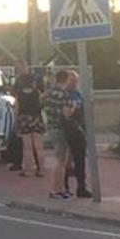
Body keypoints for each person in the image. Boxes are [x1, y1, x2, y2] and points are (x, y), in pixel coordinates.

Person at [43, 69, 75, 199]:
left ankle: (59, 189)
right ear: (66, 79)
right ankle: (56, 189)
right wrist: (73, 107)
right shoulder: (65, 94)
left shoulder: (49, 93)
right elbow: (67, 113)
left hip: (51, 126)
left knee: (60, 159)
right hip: (61, 128)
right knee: (61, 160)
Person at [62, 71, 93, 199]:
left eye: (75, 80)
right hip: (66, 129)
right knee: (64, 160)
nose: (74, 82)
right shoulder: (62, 94)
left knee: (80, 160)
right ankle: (64, 186)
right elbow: (66, 113)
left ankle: (81, 187)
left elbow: (85, 111)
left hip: (79, 130)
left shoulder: (79, 94)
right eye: (71, 80)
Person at [12, 63, 44, 177]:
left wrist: (15, 121)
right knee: (39, 146)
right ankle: (41, 169)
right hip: (36, 118)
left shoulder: (19, 94)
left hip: (24, 118)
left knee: (27, 147)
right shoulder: (37, 93)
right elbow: (41, 104)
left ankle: (28, 169)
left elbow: (17, 108)